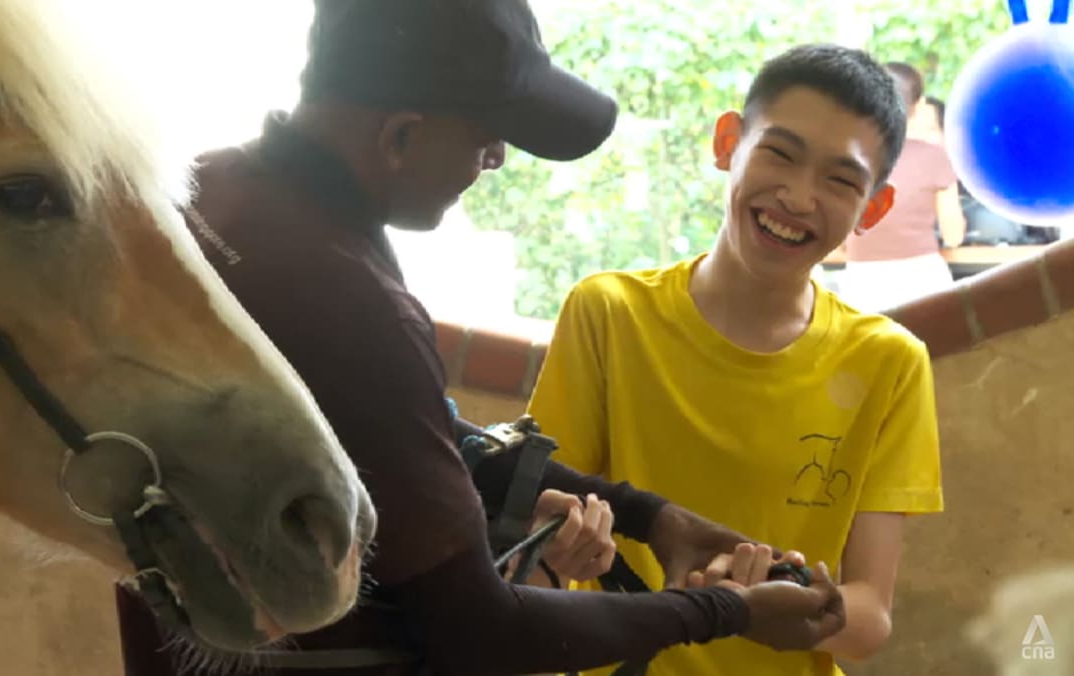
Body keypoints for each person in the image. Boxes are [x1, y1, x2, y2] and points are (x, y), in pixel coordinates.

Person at [114, 2, 848, 675]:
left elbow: (379, 428)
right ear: (401, 137)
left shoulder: (203, 190)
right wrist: (725, 611)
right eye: (486, 136)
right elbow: (480, 632)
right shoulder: (351, 303)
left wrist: (648, 518)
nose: (495, 159)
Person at [527, 44, 944, 676]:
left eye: (840, 180)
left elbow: (869, 620)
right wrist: (558, 554)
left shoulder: (890, 361)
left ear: (875, 208)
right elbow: (537, 542)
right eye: (780, 154)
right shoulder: (608, 313)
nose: (798, 198)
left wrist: (782, 606)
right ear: (728, 143)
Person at [837, 61, 965, 313]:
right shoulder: (935, 156)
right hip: (923, 280)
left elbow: (840, 237)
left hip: (861, 283)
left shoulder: (847, 156)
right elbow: (953, 235)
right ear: (918, 106)